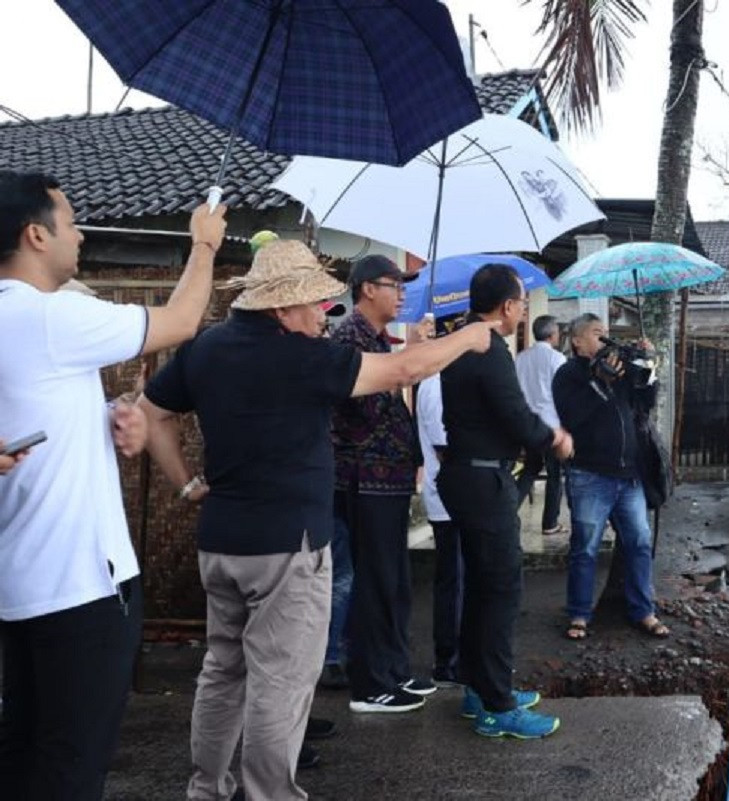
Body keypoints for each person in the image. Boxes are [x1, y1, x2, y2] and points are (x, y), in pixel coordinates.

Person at [137, 240, 494, 800]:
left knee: (223, 672)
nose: (321, 314)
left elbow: (150, 414)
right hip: (286, 548)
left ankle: (207, 788)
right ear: (280, 308)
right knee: (280, 683)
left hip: (222, 541)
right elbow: (402, 369)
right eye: (311, 304)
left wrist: (185, 485)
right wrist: (470, 336)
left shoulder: (206, 348)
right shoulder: (301, 357)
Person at [0, 169, 226, 800]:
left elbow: (32, 410)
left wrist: (109, 420)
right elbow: (182, 319)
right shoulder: (48, 319)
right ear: (36, 236)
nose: (81, 234)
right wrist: (203, 242)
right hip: (80, 590)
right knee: (72, 765)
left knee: (23, 756)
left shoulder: (26, 324)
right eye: (71, 221)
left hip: (21, 585)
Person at [438, 263, 573, 739]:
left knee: (480, 588)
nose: (520, 312)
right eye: (519, 303)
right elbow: (515, 416)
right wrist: (553, 438)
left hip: (464, 476)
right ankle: (496, 705)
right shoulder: (488, 348)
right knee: (500, 591)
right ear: (507, 306)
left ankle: (480, 687)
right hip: (481, 482)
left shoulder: (459, 341)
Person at [331, 255, 435, 713]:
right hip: (362, 481)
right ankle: (370, 683)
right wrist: (408, 361)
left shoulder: (375, 339)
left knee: (393, 579)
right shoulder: (349, 338)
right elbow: (369, 409)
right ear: (367, 289)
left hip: (389, 480)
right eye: (394, 285)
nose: (402, 294)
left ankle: (394, 671)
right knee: (373, 580)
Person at [552, 314, 667, 641]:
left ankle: (643, 610)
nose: (604, 339)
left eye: (606, 333)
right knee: (585, 548)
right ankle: (579, 614)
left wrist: (647, 364)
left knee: (639, 543)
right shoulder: (569, 374)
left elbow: (646, 401)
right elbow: (572, 416)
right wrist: (600, 381)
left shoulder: (618, 368)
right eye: (596, 333)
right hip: (590, 474)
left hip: (629, 475)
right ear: (576, 340)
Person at [415, 362, 464, 686]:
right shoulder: (435, 384)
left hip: (460, 497)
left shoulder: (445, 381)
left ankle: (460, 657)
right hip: (450, 499)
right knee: (454, 581)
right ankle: (448, 661)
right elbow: (444, 446)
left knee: (462, 580)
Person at [515, 314, 568, 535]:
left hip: (528, 422)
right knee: (555, 474)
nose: (559, 335)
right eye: (557, 331)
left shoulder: (521, 358)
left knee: (531, 468)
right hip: (552, 424)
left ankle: (509, 510)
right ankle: (550, 522)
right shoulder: (557, 359)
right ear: (551, 334)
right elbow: (563, 393)